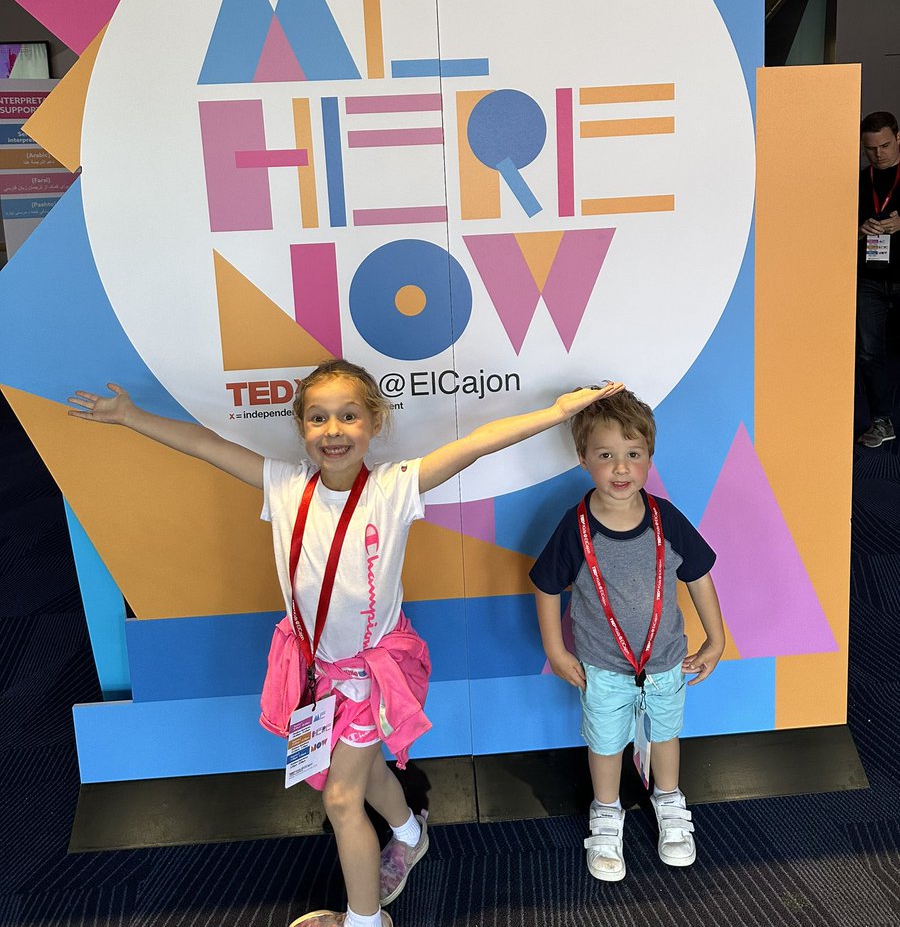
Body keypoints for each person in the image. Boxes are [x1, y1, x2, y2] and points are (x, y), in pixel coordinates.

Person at [69, 361, 622, 927]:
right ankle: (410, 833)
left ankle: (365, 920)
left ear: (374, 422)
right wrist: (132, 417)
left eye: (348, 416)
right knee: (361, 771)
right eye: (318, 418)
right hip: (311, 668)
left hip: (371, 675)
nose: (333, 430)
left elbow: (477, 443)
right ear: (301, 427)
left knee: (340, 799)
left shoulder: (393, 487)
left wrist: (556, 413)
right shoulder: (283, 485)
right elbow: (204, 444)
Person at [530, 387, 724, 882]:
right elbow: (548, 587)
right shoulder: (575, 528)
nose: (621, 468)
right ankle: (606, 812)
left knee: (666, 734)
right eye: (606, 456)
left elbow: (699, 575)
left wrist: (715, 640)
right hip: (603, 665)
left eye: (633, 454)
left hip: (666, 661)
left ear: (649, 458)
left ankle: (670, 802)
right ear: (583, 460)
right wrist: (555, 649)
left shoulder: (666, 519)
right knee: (606, 743)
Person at [857, 110, 900, 448]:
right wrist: (861, 231)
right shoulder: (858, 182)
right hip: (870, 280)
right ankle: (881, 421)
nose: (879, 154)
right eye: (871, 149)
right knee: (871, 354)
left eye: (884, 145)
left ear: (898, 138)